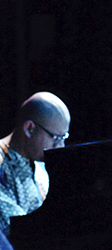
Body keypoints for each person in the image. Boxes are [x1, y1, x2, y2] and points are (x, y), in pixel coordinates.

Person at [0, 91, 70, 234]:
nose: (61, 147)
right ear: (29, 129)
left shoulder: (40, 161)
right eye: (56, 138)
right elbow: (12, 227)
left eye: (64, 138)